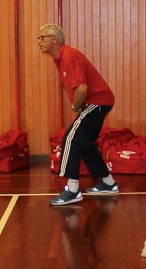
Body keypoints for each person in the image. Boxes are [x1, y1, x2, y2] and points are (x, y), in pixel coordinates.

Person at [38, 23, 118, 205]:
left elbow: (82, 88)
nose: (39, 41)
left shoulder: (69, 55)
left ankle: (73, 190)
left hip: (98, 101)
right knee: (85, 143)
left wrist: (75, 106)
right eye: (38, 38)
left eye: (42, 38)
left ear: (54, 39)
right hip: (95, 102)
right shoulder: (59, 59)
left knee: (71, 138)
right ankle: (108, 183)